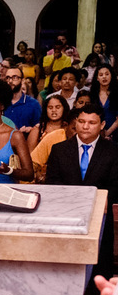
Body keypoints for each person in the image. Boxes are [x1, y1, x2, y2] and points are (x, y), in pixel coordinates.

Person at [45, 103, 118, 279]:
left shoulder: (113, 152)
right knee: (66, 269)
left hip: (100, 219)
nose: (85, 126)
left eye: (92, 123)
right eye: (81, 121)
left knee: (99, 268)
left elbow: (115, 186)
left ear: (102, 125)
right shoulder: (59, 150)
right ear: (75, 123)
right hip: (66, 219)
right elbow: (52, 184)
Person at [3, 65, 41, 130]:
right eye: (8, 78)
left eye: (14, 77)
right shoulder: (0, 102)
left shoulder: (33, 104)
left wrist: (31, 129)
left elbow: (39, 127)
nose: (10, 81)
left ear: (22, 80)